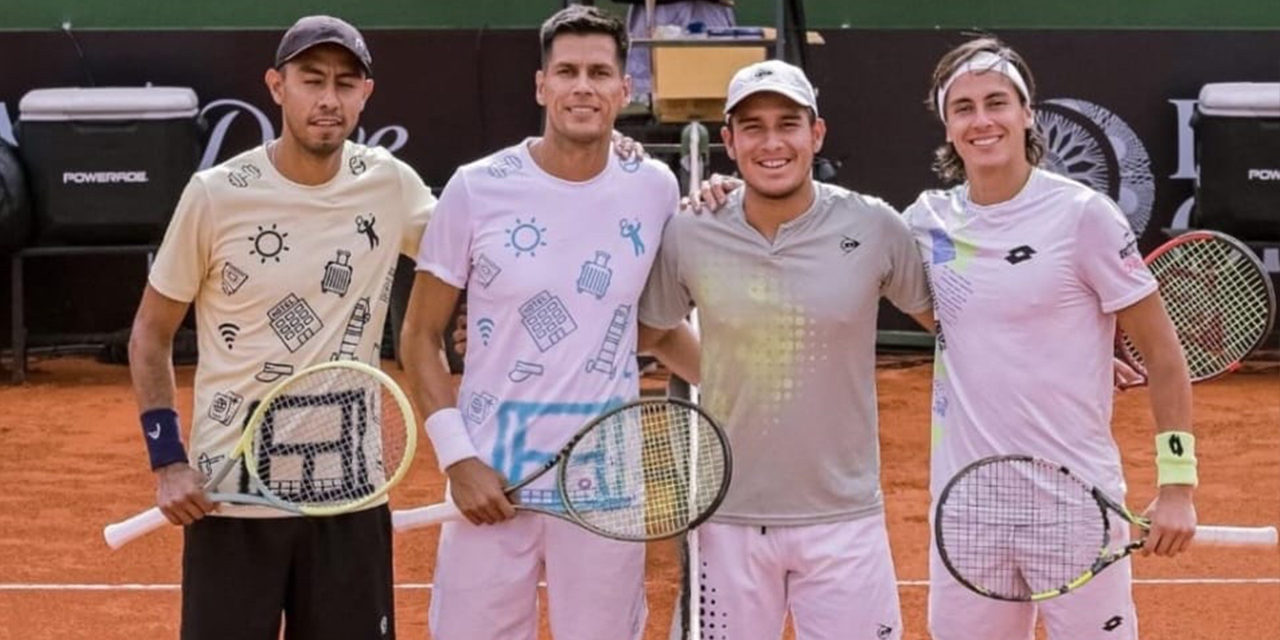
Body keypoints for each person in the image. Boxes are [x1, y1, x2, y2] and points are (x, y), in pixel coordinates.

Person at [127, 15, 435, 639]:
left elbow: (487, 241)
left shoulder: (390, 185)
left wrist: (604, 153)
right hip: (232, 497)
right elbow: (150, 334)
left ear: (365, 95)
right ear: (276, 85)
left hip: (350, 497)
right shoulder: (216, 194)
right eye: (311, 80)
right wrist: (167, 461)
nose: (328, 99)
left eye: (346, 83)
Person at [399, 6, 695, 640]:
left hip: (606, 487)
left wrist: (740, 389)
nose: (581, 86)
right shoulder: (476, 188)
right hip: (488, 482)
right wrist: (459, 460)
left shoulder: (655, 189)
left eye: (598, 72)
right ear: (541, 86)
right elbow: (420, 336)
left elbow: (658, 326)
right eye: (566, 71)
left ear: (624, 89)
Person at [904, 36, 1197, 640]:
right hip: (968, 507)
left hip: (1075, 506)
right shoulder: (924, 222)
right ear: (946, 124)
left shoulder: (1083, 216)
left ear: (1026, 112)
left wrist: (1177, 485)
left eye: (997, 102)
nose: (982, 120)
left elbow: (1166, 358)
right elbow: (947, 313)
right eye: (964, 108)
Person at [637, 59, 934, 640]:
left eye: (788, 124)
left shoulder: (874, 226)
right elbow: (651, 330)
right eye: (752, 127)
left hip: (844, 520)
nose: (772, 142)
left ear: (815, 134)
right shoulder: (691, 229)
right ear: (729, 141)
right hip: (727, 522)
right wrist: (725, 371)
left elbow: (955, 327)